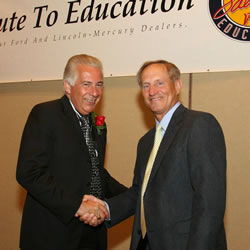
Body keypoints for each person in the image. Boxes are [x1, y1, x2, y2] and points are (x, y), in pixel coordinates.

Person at [82, 60, 227, 250]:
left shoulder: (199, 125)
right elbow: (139, 193)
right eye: (146, 85)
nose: (152, 91)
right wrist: (106, 209)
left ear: (177, 85)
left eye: (160, 83)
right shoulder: (145, 142)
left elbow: (210, 203)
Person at [16, 54, 127, 250]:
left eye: (99, 84)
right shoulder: (45, 114)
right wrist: (77, 206)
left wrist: (134, 196)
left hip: (92, 236)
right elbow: (29, 173)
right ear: (67, 87)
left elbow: (96, 172)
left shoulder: (98, 124)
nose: (94, 92)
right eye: (87, 84)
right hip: (53, 236)